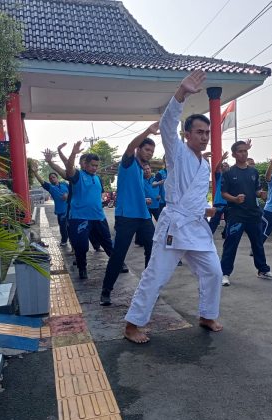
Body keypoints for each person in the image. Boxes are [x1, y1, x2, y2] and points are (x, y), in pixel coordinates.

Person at [123, 70, 223, 344]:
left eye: (207, 133)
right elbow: (168, 124)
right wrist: (181, 93)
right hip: (175, 226)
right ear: (186, 134)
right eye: (199, 132)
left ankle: (207, 314)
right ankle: (133, 324)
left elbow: (195, 198)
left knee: (213, 272)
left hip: (196, 226)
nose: (204, 137)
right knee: (156, 275)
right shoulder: (176, 152)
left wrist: (206, 208)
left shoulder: (204, 164)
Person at [100, 124, 159, 305]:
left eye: (151, 151)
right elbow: (130, 147)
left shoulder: (142, 171)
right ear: (139, 149)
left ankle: (148, 288)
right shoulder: (128, 162)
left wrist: (145, 199)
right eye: (146, 149)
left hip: (144, 217)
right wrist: (148, 131)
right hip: (126, 216)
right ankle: (106, 291)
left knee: (153, 250)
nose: (149, 153)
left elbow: (136, 191)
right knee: (119, 254)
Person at [220, 141, 272, 287]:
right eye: (240, 151)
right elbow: (223, 193)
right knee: (231, 244)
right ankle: (224, 273)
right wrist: (234, 199)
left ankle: (263, 270)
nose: (243, 153)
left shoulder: (253, 171)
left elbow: (256, 190)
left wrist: (261, 194)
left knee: (258, 244)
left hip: (253, 214)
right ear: (234, 154)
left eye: (245, 151)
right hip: (236, 215)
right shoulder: (229, 173)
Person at [63, 143, 114, 279]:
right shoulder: (78, 176)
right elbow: (68, 170)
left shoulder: (97, 178)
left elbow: (99, 195)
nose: (95, 168)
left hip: (98, 216)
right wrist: (73, 154)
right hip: (80, 217)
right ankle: (82, 268)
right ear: (85, 164)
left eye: (97, 165)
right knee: (81, 246)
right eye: (93, 165)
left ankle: (117, 263)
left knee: (107, 241)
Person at [30, 163, 69, 246]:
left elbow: (74, 191)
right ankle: (64, 241)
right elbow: (42, 181)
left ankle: (74, 246)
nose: (52, 179)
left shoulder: (65, 184)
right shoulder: (50, 187)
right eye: (50, 178)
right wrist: (36, 173)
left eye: (53, 177)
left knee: (72, 227)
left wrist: (67, 195)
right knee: (63, 228)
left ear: (57, 178)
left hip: (71, 209)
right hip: (61, 211)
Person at [208, 151, 229, 235]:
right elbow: (216, 168)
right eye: (223, 166)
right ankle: (208, 235)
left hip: (229, 202)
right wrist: (222, 159)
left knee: (230, 221)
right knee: (214, 221)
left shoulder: (232, 176)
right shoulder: (219, 176)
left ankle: (225, 234)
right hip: (219, 202)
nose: (225, 166)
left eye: (226, 165)